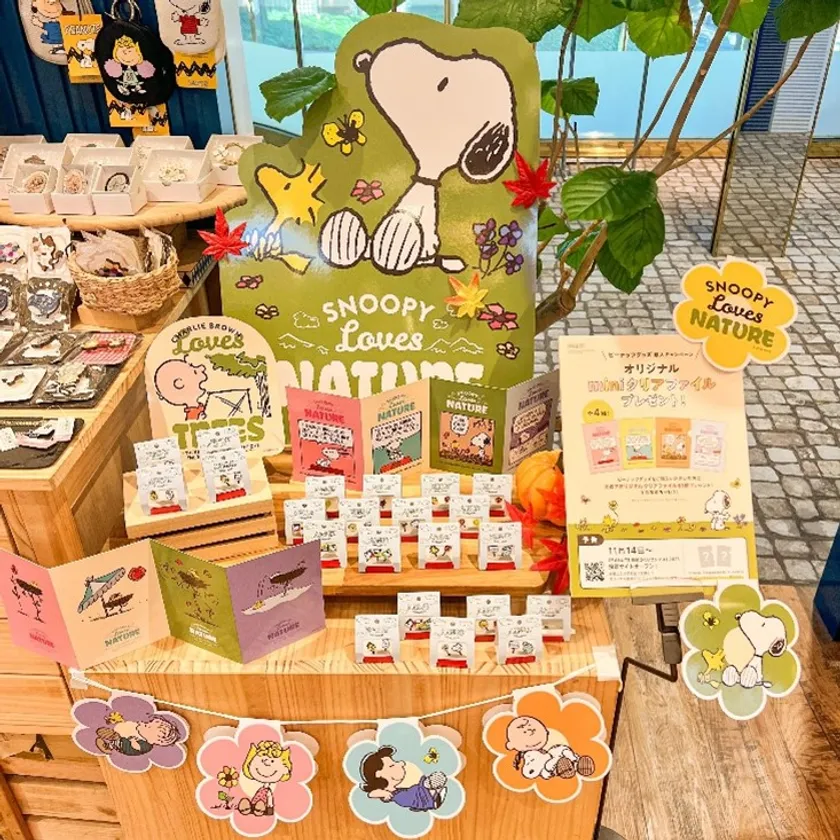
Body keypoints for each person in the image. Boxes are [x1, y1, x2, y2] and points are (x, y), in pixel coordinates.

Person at [360, 746, 447, 811]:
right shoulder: (396, 795)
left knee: (416, 787)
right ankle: (431, 794)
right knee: (410, 795)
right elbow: (371, 794)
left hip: (410, 791)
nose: (401, 764)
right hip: (405, 795)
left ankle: (430, 788)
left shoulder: (401, 788)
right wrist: (383, 793)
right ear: (378, 774)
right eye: (392, 765)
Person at [95, 713, 180, 757]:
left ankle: (108, 746)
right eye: (147, 723)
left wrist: (133, 741)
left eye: (147, 726)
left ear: (153, 739)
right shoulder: (138, 730)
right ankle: (109, 736)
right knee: (117, 735)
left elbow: (138, 748)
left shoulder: (147, 746)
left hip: (126, 746)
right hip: (125, 738)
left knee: (117, 739)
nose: (143, 723)